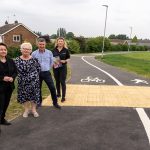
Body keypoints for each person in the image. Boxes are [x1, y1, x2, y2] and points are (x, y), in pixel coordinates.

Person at [32, 38, 61, 109]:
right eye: (40, 44)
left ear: (45, 44)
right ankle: (39, 102)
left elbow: (53, 62)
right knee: (38, 89)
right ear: (37, 44)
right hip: (37, 73)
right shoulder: (34, 53)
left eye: (43, 44)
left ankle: (55, 103)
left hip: (47, 73)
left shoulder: (49, 52)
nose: (42, 46)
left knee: (52, 88)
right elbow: (32, 64)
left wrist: (49, 68)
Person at [15, 42, 41, 118]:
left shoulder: (35, 60)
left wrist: (33, 77)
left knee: (34, 96)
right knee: (24, 96)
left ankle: (33, 110)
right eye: (24, 49)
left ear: (31, 51)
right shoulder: (16, 60)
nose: (26, 50)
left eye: (28, 49)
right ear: (21, 50)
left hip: (34, 82)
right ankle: (26, 110)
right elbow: (14, 71)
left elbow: (39, 69)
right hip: (22, 83)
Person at [0, 43, 17, 125]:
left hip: (9, 87)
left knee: (6, 104)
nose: (3, 51)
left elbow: (15, 71)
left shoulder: (10, 60)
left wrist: (12, 78)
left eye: (4, 49)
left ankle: (2, 119)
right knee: (1, 105)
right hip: (0, 88)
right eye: (1, 49)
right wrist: (2, 78)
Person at [53, 37, 70, 102]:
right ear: (57, 42)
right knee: (57, 81)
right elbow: (52, 58)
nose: (60, 42)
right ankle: (58, 94)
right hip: (56, 67)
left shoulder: (66, 50)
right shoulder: (54, 50)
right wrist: (53, 61)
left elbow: (68, 58)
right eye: (59, 41)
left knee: (62, 82)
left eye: (61, 41)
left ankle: (63, 97)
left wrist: (65, 61)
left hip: (63, 68)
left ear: (63, 42)